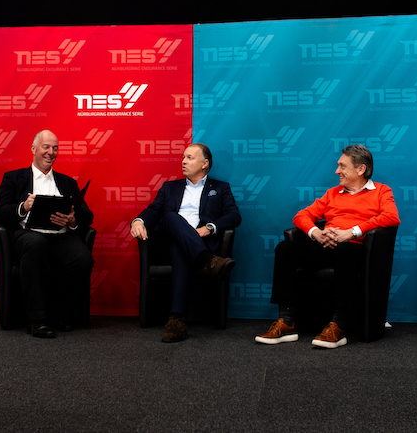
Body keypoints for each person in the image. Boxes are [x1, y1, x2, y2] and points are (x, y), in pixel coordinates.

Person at [255, 144, 400, 348]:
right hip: (327, 246)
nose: (336, 171)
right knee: (284, 249)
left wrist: (351, 232)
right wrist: (318, 233)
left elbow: (391, 217)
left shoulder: (381, 191)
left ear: (361, 169)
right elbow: (302, 216)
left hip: (357, 250)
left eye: (342, 166)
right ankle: (286, 322)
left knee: (344, 249)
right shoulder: (333, 193)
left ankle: (338, 324)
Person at [130, 143, 241, 343]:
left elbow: (234, 216)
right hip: (168, 239)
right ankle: (211, 262)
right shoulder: (170, 187)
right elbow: (154, 211)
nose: (183, 161)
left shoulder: (220, 188)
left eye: (190, 158)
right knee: (172, 217)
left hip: (197, 243)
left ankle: (176, 320)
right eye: (183, 157)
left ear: (205, 164)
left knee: (179, 248)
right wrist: (138, 220)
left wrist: (209, 227)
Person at [0, 129, 94, 339]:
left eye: (55, 148)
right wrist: (24, 206)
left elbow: (87, 214)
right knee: (35, 243)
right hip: (29, 235)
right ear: (34, 149)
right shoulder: (14, 178)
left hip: (60, 236)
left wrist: (73, 220)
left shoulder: (67, 182)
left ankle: (61, 314)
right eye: (46, 147)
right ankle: (37, 320)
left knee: (82, 258)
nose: (51, 152)